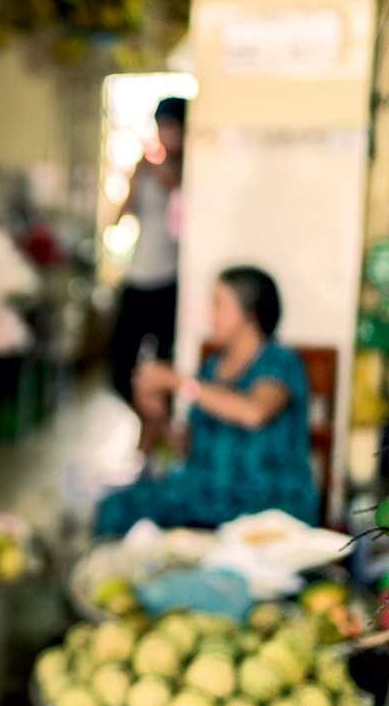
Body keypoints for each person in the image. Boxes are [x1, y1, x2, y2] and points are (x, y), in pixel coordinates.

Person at [95, 266, 317, 536]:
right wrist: (156, 416)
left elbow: (254, 412)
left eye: (218, 304)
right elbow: (186, 447)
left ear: (249, 313)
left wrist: (179, 383)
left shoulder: (280, 362)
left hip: (263, 501)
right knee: (115, 508)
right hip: (203, 495)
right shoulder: (212, 368)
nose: (210, 316)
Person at [108, 97, 187, 407]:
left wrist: (164, 175)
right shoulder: (145, 167)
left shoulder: (191, 167)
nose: (166, 134)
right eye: (161, 127)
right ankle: (147, 422)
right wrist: (135, 178)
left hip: (170, 279)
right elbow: (119, 217)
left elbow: (184, 210)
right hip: (138, 276)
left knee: (166, 363)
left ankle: (156, 435)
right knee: (120, 369)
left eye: (171, 126)